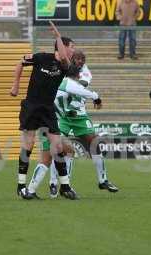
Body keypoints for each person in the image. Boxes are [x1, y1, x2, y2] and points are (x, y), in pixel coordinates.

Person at [25, 54, 119, 199]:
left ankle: (44, 189)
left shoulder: (60, 82)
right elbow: (82, 91)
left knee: (62, 152)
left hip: (48, 120)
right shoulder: (67, 82)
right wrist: (96, 97)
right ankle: (48, 187)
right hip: (50, 122)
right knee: (51, 157)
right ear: (75, 76)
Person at [10, 21, 78, 200]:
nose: (73, 51)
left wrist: (57, 35)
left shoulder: (65, 65)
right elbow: (20, 63)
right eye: (71, 47)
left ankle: (65, 186)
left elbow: (63, 57)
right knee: (28, 144)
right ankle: (21, 186)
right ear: (62, 46)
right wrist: (15, 85)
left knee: (57, 146)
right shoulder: (40, 57)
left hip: (47, 108)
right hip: (31, 106)